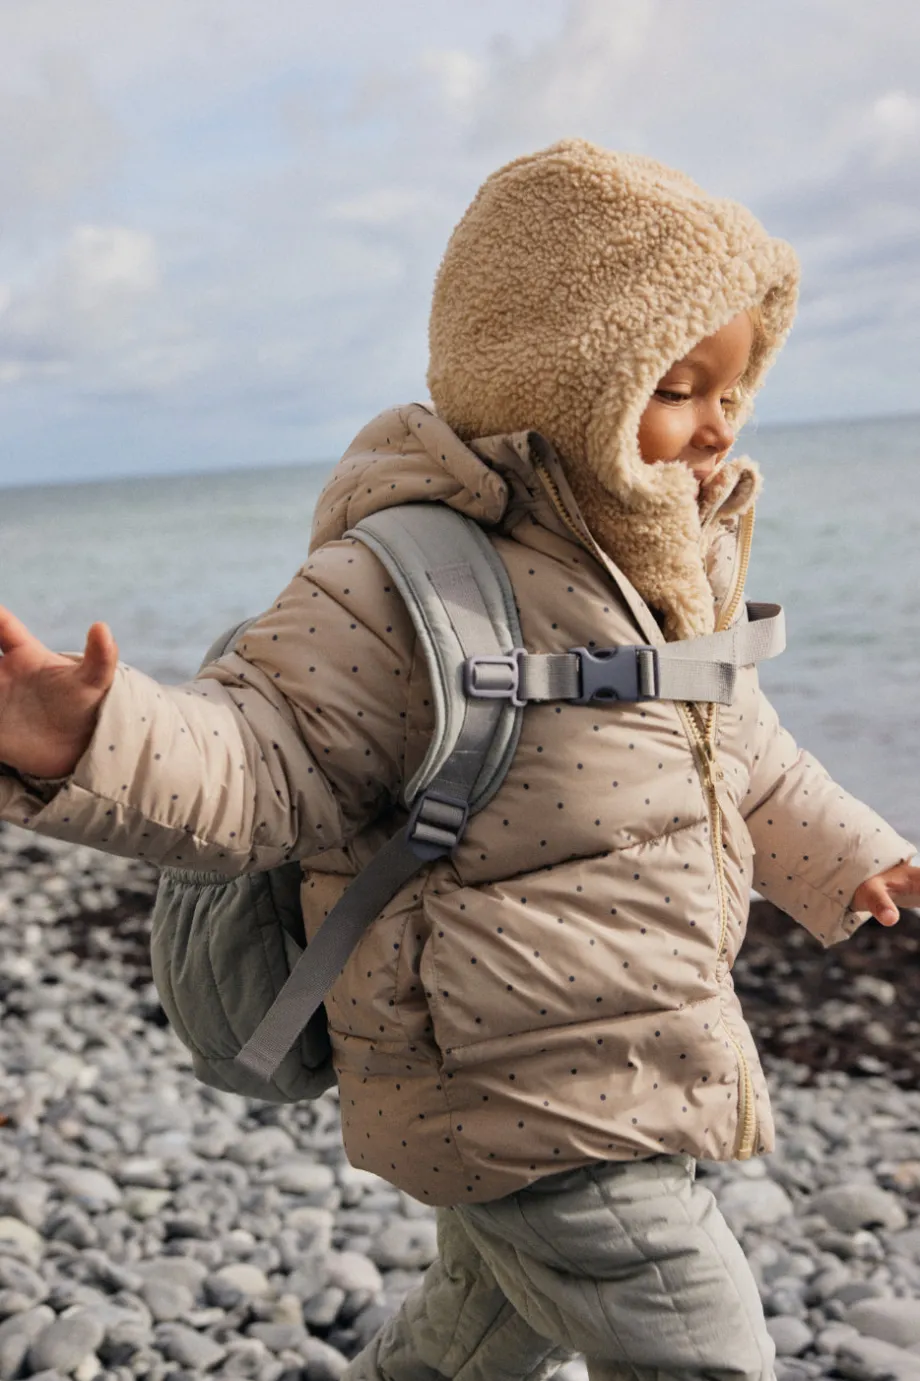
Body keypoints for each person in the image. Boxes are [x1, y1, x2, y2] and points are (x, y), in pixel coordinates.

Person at [0, 139, 918, 1381]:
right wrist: (89, 738)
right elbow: (263, 759)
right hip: (513, 1079)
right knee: (700, 1341)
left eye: (730, 390)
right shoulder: (402, 583)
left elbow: (737, 741)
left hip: (625, 1052)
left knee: (479, 1333)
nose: (712, 428)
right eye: (674, 385)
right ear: (564, 373)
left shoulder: (655, 570)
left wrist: (855, 851)